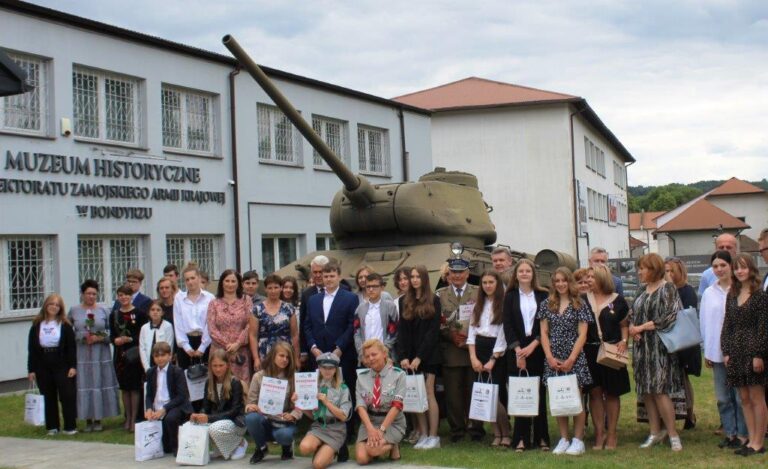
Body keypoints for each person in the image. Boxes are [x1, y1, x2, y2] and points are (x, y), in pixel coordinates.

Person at [629, 253, 684, 452]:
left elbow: (671, 315)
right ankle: (654, 432)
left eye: (642, 268)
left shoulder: (667, 288)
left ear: (653, 268)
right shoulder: (641, 290)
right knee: (647, 391)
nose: (639, 272)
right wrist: (632, 328)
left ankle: (672, 434)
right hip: (642, 348)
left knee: (660, 391)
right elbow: (631, 314)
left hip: (660, 347)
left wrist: (642, 327)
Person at [538, 267, 593, 456]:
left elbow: (583, 334)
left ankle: (578, 440)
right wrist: (549, 357)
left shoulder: (580, 304)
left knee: (575, 400)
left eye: (564, 280)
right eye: (557, 281)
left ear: (570, 282)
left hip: (574, 358)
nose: (560, 284)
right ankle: (563, 438)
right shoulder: (546, 304)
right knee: (559, 400)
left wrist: (571, 359)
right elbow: (544, 332)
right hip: (553, 358)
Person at [304, 262, 361, 443]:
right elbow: (306, 325)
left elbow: (352, 325)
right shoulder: (313, 299)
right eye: (325, 276)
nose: (328, 279)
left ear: (338, 276)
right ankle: (320, 427)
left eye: (331, 276)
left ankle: (348, 431)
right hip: (318, 354)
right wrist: (313, 347)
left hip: (342, 354)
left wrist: (339, 348)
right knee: (321, 390)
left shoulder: (350, 298)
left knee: (344, 389)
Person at [700, 250, 748, 449]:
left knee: (739, 397)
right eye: (715, 266)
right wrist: (707, 350)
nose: (719, 269)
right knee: (722, 398)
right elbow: (704, 322)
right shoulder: (709, 292)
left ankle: (743, 434)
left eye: (723, 265)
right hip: (716, 352)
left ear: (731, 266)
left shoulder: (740, 291)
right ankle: (730, 433)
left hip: (737, 352)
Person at [722, 253, 768, 456]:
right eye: (737, 268)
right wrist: (726, 351)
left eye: (744, 267)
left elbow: (763, 327)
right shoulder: (732, 294)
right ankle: (750, 440)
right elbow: (727, 325)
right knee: (744, 398)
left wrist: (759, 354)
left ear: (751, 269)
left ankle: (759, 442)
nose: (740, 271)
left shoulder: (760, 296)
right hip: (736, 352)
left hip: (753, 351)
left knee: (757, 397)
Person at [503, 258, 550, 452]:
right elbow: (508, 325)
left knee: (538, 393)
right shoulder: (510, 296)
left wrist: (534, 344)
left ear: (533, 274)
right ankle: (521, 438)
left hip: (538, 349)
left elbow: (546, 324)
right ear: (516, 274)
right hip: (517, 351)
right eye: (520, 271)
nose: (524, 274)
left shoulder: (543, 295)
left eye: (527, 271)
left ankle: (541, 437)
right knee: (520, 394)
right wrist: (517, 350)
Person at [437, 257, 484, 442]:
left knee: (475, 391)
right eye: (453, 272)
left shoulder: (478, 292)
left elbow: (485, 317)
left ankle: (476, 429)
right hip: (451, 350)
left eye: (460, 272)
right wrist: (450, 335)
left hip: (473, 350)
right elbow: (437, 321)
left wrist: (472, 338)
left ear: (467, 274)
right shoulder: (440, 295)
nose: (457, 275)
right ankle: (457, 430)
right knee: (453, 395)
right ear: (449, 274)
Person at [584, 265, 631, 450]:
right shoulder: (582, 300)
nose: (588, 280)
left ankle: (612, 434)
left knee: (612, 393)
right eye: (587, 277)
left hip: (612, 350)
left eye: (591, 277)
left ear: (602, 278)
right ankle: (599, 434)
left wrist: (624, 340)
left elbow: (624, 325)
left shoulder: (618, 301)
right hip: (590, 351)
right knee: (595, 394)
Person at [396, 265, 442, 450]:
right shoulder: (404, 301)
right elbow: (402, 331)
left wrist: (420, 357)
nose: (414, 280)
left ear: (424, 278)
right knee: (417, 395)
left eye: (417, 277)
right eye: (412, 276)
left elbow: (433, 332)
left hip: (429, 355)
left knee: (429, 392)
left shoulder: (434, 300)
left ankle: (433, 435)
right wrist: (404, 356)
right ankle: (423, 434)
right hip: (411, 356)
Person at [68, 280, 120, 432]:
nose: (91, 297)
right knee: (85, 384)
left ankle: (98, 418)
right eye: (88, 294)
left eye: (94, 294)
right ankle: (87, 418)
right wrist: (81, 337)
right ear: (82, 294)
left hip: (100, 353)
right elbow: (67, 332)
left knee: (98, 382)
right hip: (82, 353)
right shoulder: (74, 311)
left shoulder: (104, 311)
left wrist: (99, 337)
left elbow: (113, 331)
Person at [467, 270, 510, 447]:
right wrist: (473, 358)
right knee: (485, 394)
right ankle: (496, 432)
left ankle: (506, 432)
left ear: (497, 284)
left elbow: (503, 334)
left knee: (497, 395)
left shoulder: (503, 304)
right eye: (484, 283)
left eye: (491, 282)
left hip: (496, 351)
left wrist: (493, 358)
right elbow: (471, 332)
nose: (487, 286)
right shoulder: (478, 304)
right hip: (479, 348)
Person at [27, 294, 78, 436]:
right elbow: (32, 349)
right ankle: (52, 426)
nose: (54, 307)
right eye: (51, 304)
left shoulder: (65, 325)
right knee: (48, 395)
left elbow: (71, 348)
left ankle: (70, 426)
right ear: (46, 305)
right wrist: (31, 369)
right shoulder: (37, 325)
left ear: (60, 308)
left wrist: (73, 366)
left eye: (57, 305)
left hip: (61, 362)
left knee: (67, 395)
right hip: (43, 363)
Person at [245, 341, 302, 463]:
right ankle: (261, 448)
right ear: (273, 356)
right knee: (251, 418)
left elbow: (300, 407)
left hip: (283, 423)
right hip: (264, 421)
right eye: (281, 356)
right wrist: (251, 407)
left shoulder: (294, 378)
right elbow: (251, 402)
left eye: (288, 357)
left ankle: (286, 448)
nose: (285, 360)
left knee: (284, 435)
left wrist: (293, 415)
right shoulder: (258, 376)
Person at [189, 349, 248, 460]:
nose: (218, 369)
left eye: (221, 365)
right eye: (214, 366)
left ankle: (240, 443)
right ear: (210, 366)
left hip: (235, 421)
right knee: (195, 425)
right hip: (218, 419)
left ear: (227, 365)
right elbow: (205, 407)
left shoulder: (234, 382)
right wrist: (198, 415)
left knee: (214, 428)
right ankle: (219, 448)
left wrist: (208, 418)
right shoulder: (208, 382)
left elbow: (234, 411)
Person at [355, 339, 406, 465]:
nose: (370, 358)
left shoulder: (399, 375)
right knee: (362, 459)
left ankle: (393, 444)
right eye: (367, 356)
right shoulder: (361, 377)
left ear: (384, 354)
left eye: (374, 354)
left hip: (392, 423)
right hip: (370, 422)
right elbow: (360, 406)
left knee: (373, 450)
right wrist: (370, 429)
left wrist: (382, 430)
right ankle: (379, 446)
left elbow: (396, 406)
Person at [298, 352, 353, 469]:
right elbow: (314, 416)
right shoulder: (313, 386)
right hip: (319, 426)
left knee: (318, 465)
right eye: (324, 367)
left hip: (336, 429)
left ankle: (336, 448)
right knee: (304, 447)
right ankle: (323, 447)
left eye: (331, 368)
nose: (327, 370)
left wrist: (327, 402)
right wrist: (298, 403)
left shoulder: (343, 388)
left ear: (336, 370)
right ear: (319, 368)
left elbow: (344, 416)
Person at [665, 257, 701, 430]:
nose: (669, 274)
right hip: (667, 341)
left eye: (672, 270)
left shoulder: (687, 291)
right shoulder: (663, 290)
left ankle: (689, 414)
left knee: (683, 379)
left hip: (683, 342)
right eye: (666, 271)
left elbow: (685, 317)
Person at [110, 283, 148, 432]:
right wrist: (115, 340)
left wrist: (130, 339)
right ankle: (127, 418)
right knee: (124, 388)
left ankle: (134, 419)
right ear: (118, 297)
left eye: (126, 295)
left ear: (131, 296)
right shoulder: (114, 314)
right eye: (121, 295)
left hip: (134, 355)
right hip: (119, 355)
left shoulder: (139, 313)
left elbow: (142, 333)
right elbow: (112, 334)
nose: (124, 297)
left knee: (134, 388)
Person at [144, 341, 192, 456]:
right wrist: (149, 408)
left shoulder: (177, 371)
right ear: (153, 358)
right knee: (165, 448)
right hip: (158, 406)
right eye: (157, 356)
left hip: (175, 405)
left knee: (170, 418)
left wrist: (164, 409)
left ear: (170, 356)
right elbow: (149, 395)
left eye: (163, 355)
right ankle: (164, 446)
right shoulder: (151, 372)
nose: (160, 359)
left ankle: (177, 448)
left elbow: (182, 396)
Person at [207, 269, 252, 382]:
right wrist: (228, 345)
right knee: (220, 384)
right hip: (220, 351)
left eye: (233, 281)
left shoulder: (246, 300)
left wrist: (237, 344)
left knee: (241, 386)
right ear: (222, 282)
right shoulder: (214, 303)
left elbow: (250, 324)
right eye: (227, 281)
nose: (230, 284)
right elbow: (212, 328)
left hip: (240, 351)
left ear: (238, 283)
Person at [251, 274, 300, 370]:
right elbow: (253, 336)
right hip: (265, 352)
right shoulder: (257, 309)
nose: (273, 291)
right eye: (270, 288)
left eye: (276, 287)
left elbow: (294, 334)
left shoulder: (289, 308)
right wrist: (256, 358)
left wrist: (296, 357)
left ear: (281, 288)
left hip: (286, 352)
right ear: (265, 289)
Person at [173, 263, 215, 371]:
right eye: (187, 279)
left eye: (193, 278)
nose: (190, 282)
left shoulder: (209, 298)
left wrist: (202, 347)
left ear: (199, 278)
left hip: (205, 341)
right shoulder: (179, 298)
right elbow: (178, 324)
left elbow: (210, 323)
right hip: (186, 343)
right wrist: (186, 347)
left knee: (206, 377)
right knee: (186, 378)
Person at [354, 273, 399, 362]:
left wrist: (383, 350)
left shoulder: (390, 306)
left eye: (375, 286)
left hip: (385, 356)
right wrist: (361, 352)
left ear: (382, 288)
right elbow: (356, 332)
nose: (371, 289)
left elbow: (393, 332)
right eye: (368, 286)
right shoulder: (360, 308)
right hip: (366, 357)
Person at [300, 255, 331, 369]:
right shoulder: (307, 294)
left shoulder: (343, 291)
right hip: (314, 349)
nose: (318, 275)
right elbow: (303, 323)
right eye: (315, 272)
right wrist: (304, 350)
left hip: (336, 349)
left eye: (321, 272)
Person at [139, 301, 175, 373]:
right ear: (149, 312)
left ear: (162, 312)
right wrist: (147, 368)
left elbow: (169, 347)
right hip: (149, 364)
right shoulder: (144, 328)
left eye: (158, 310)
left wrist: (163, 366)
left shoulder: (167, 326)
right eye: (152, 310)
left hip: (164, 365)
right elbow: (142, 349)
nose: (155, 312)